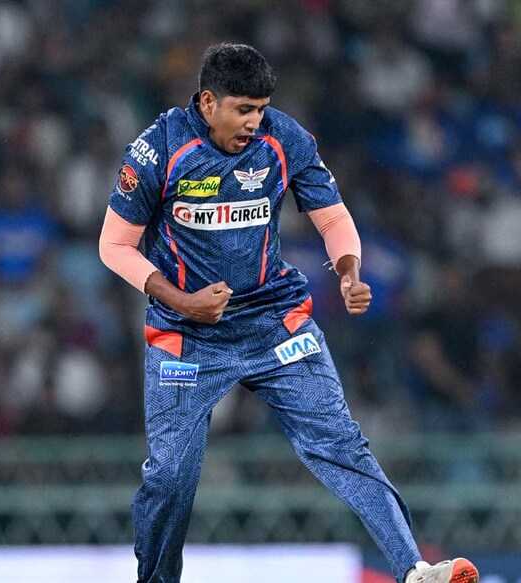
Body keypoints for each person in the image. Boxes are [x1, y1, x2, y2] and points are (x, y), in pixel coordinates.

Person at [97, 43, 478, 583]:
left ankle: (413, 569)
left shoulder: (285, 137)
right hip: (187, 334)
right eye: (243, 110)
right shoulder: (157, 150)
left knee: (342, 445)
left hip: (275, 322)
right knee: (171, 476)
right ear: (208, 102)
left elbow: (333, 216)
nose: (255, 122)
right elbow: (113, 247)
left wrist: (348, 270)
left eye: (261, 109)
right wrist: (181, 302)